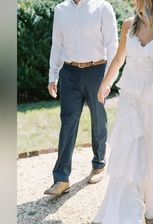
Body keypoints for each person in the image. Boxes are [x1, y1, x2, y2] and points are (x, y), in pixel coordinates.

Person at [94, 0, 153, 224]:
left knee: (151, 149)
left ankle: (148, 198)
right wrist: (105, 83)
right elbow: (119, 58)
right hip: (130, 95)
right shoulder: (127, 25)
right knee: (130, 148)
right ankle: (130, 210)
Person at [44, 0, 118, 196]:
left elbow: (113, 45)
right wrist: (53, 76)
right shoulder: (61, 10)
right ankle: (61, 178)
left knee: (98, 119)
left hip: (97, 70)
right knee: (67, 122)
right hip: (69, 72)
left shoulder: (102, 7)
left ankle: (99, 164)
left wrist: (108, 80)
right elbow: (57, 45)